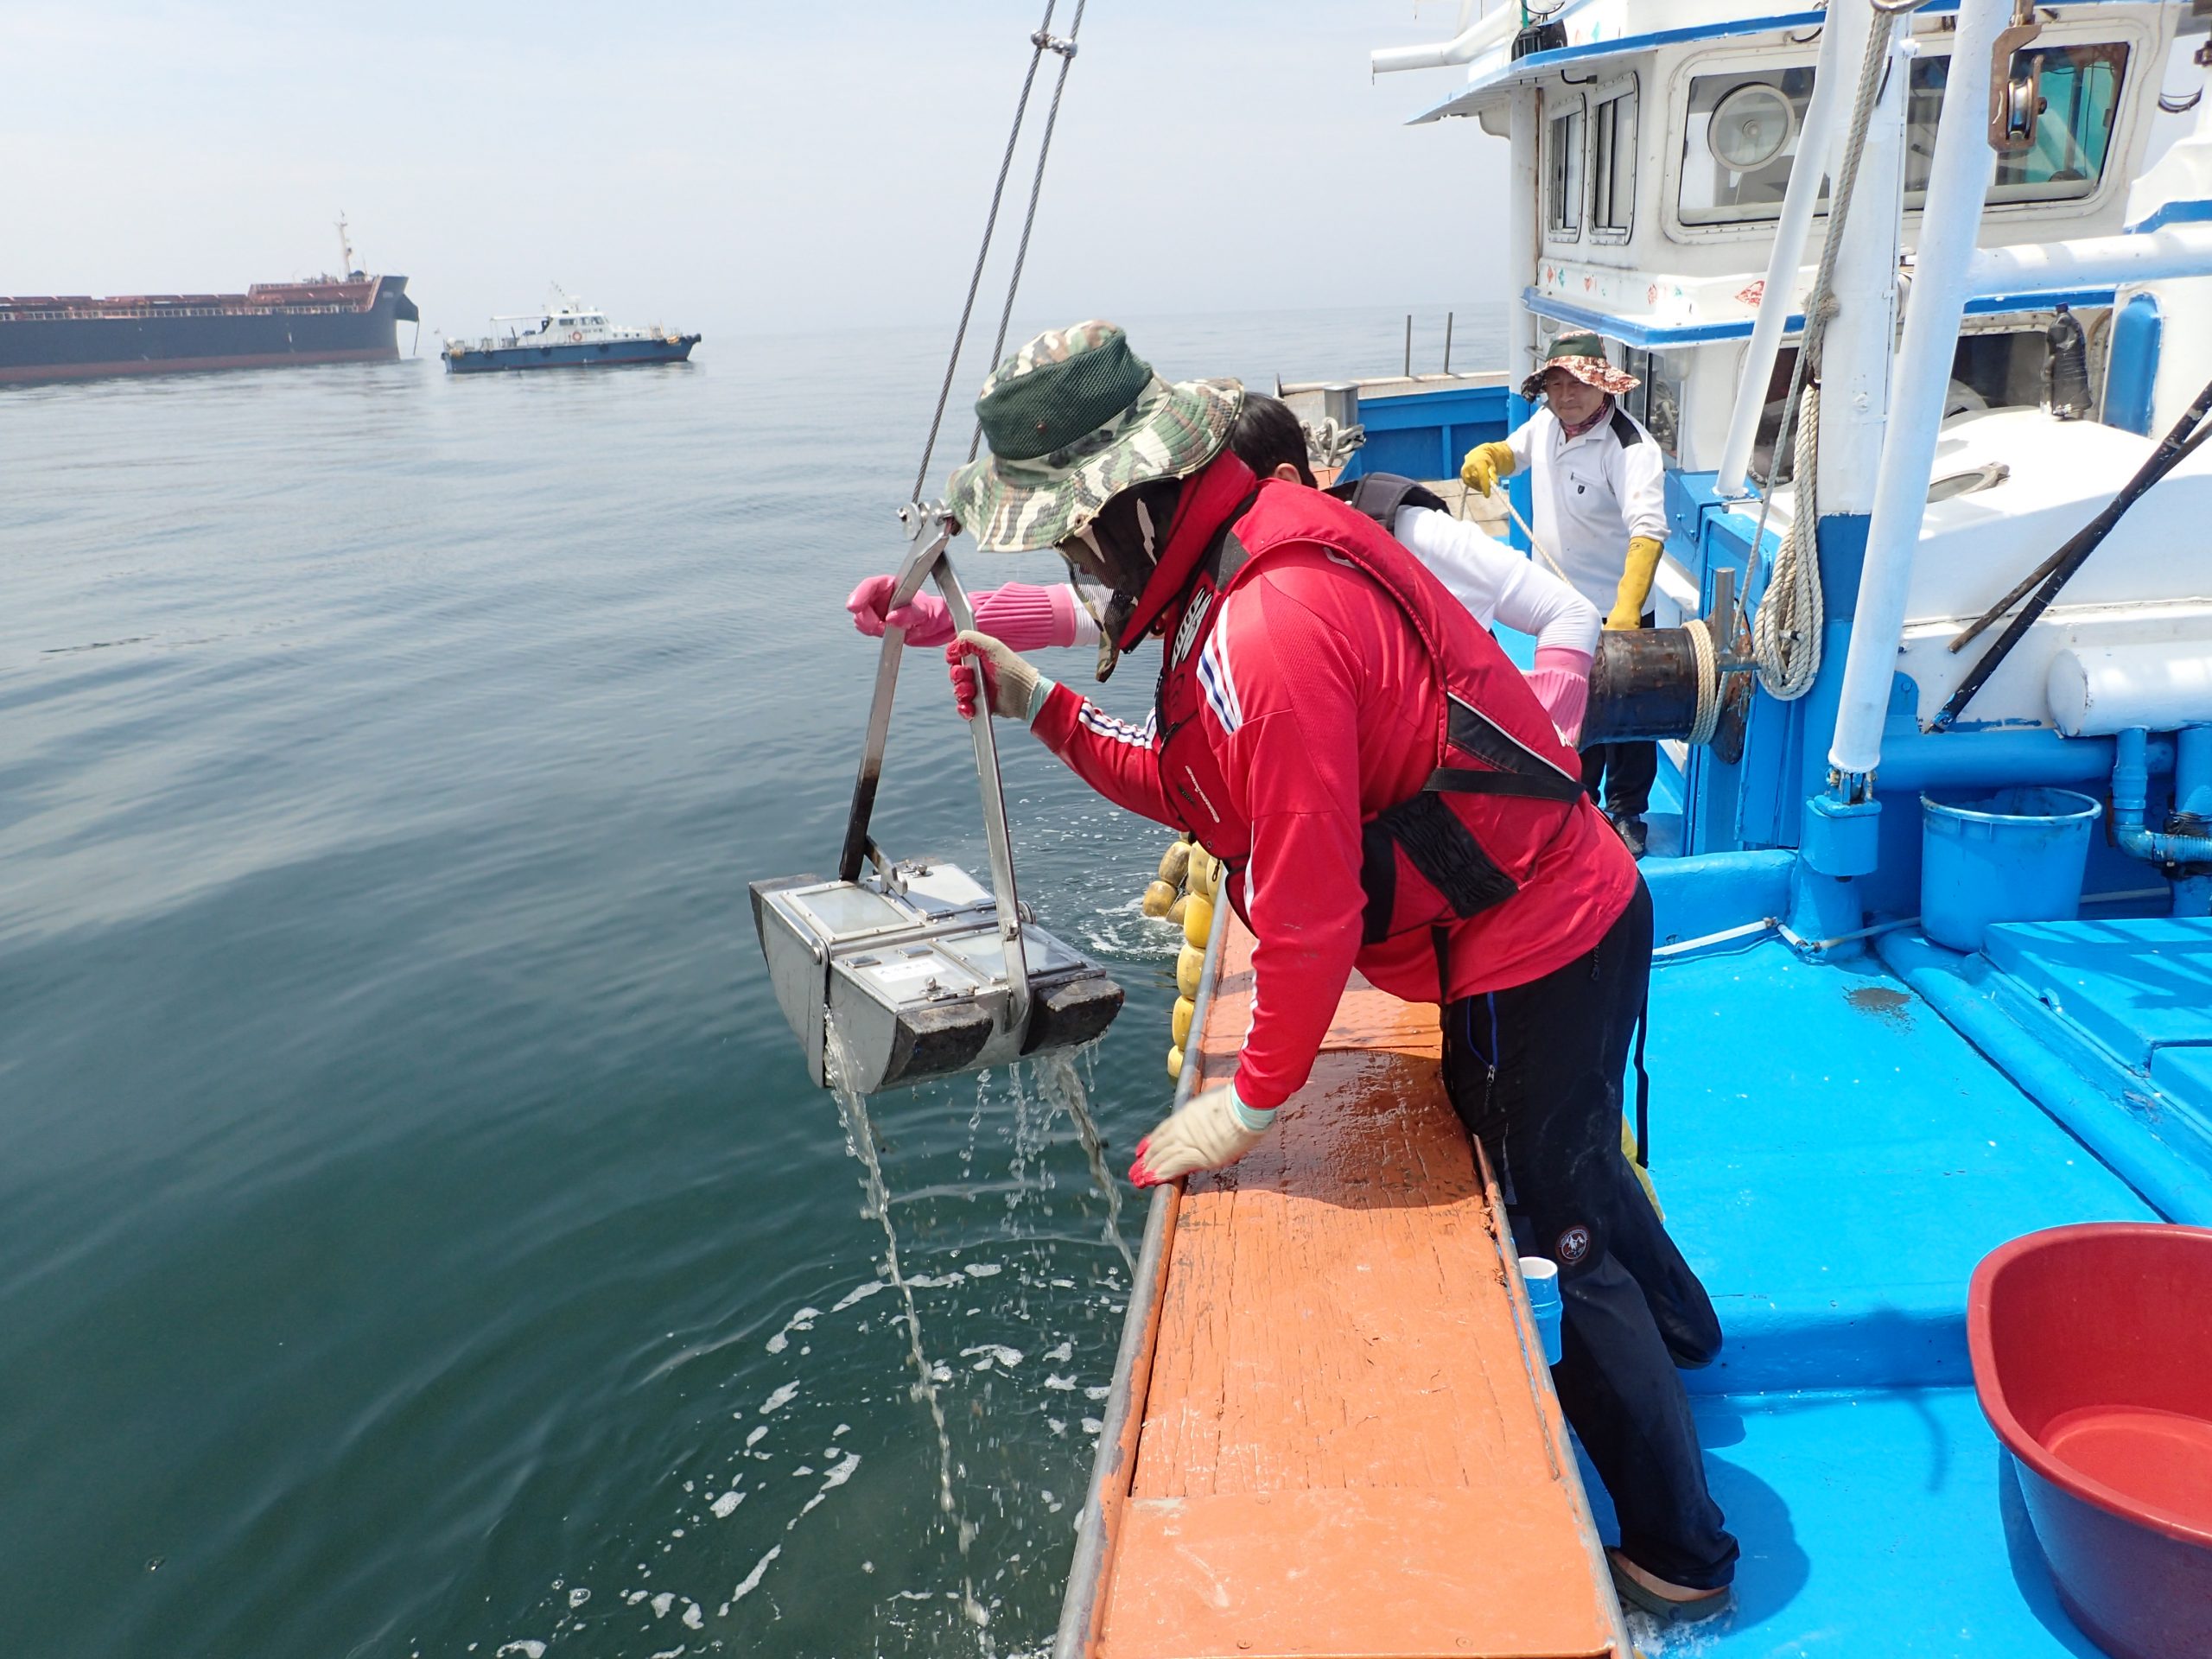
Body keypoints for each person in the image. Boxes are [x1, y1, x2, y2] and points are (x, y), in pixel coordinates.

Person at [938, 320, 1736, 1622]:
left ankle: (1681, 1553)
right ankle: (1694, 1333)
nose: (1080, 566)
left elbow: (1304, 919)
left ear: (1139, 509)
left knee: (1563, 1223)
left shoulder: (1271, 623)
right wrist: (1044, 704)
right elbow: (1204, 792)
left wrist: (1247, 1102)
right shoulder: (1231, 574)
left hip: (1547, 942)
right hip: (1544, 926)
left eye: (1078, 536)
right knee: (1582, 1156)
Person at [846, 393, 1600, 742]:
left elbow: (1569, 614)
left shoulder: (1405, 536)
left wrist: (1541, 744)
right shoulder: (1234, 571)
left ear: (1284, 484)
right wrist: (943, 616)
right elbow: (1091, 613)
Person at [1460, 334, 1668, 856]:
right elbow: (1514, 453)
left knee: (1627, 720)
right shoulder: (1549, 425)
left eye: (1576, 383)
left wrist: (1626, 610)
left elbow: (1648, 529)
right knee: (1567, 711)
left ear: (1601, 384)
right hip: (1558, 609)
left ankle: (1627, 813)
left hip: (1615, 610)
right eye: (1555, 383)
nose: (1565, 394)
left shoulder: (1631, 446)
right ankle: (1580, 804)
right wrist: (1489, 456)